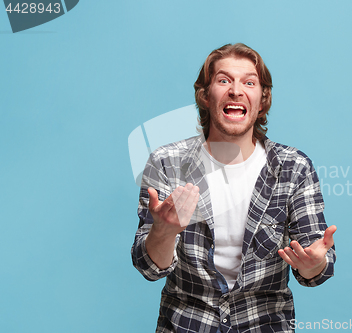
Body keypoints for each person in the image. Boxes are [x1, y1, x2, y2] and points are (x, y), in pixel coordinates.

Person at [132, 43, 337, 333]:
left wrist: (313, 263)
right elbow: (148, 267)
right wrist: (163, 231)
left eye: (249, 82)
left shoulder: (294, 168)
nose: (236, 90)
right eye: (224, 80)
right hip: (187, 325)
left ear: (262, 100)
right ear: (204, 95)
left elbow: (316, 270)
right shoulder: (166, 163)